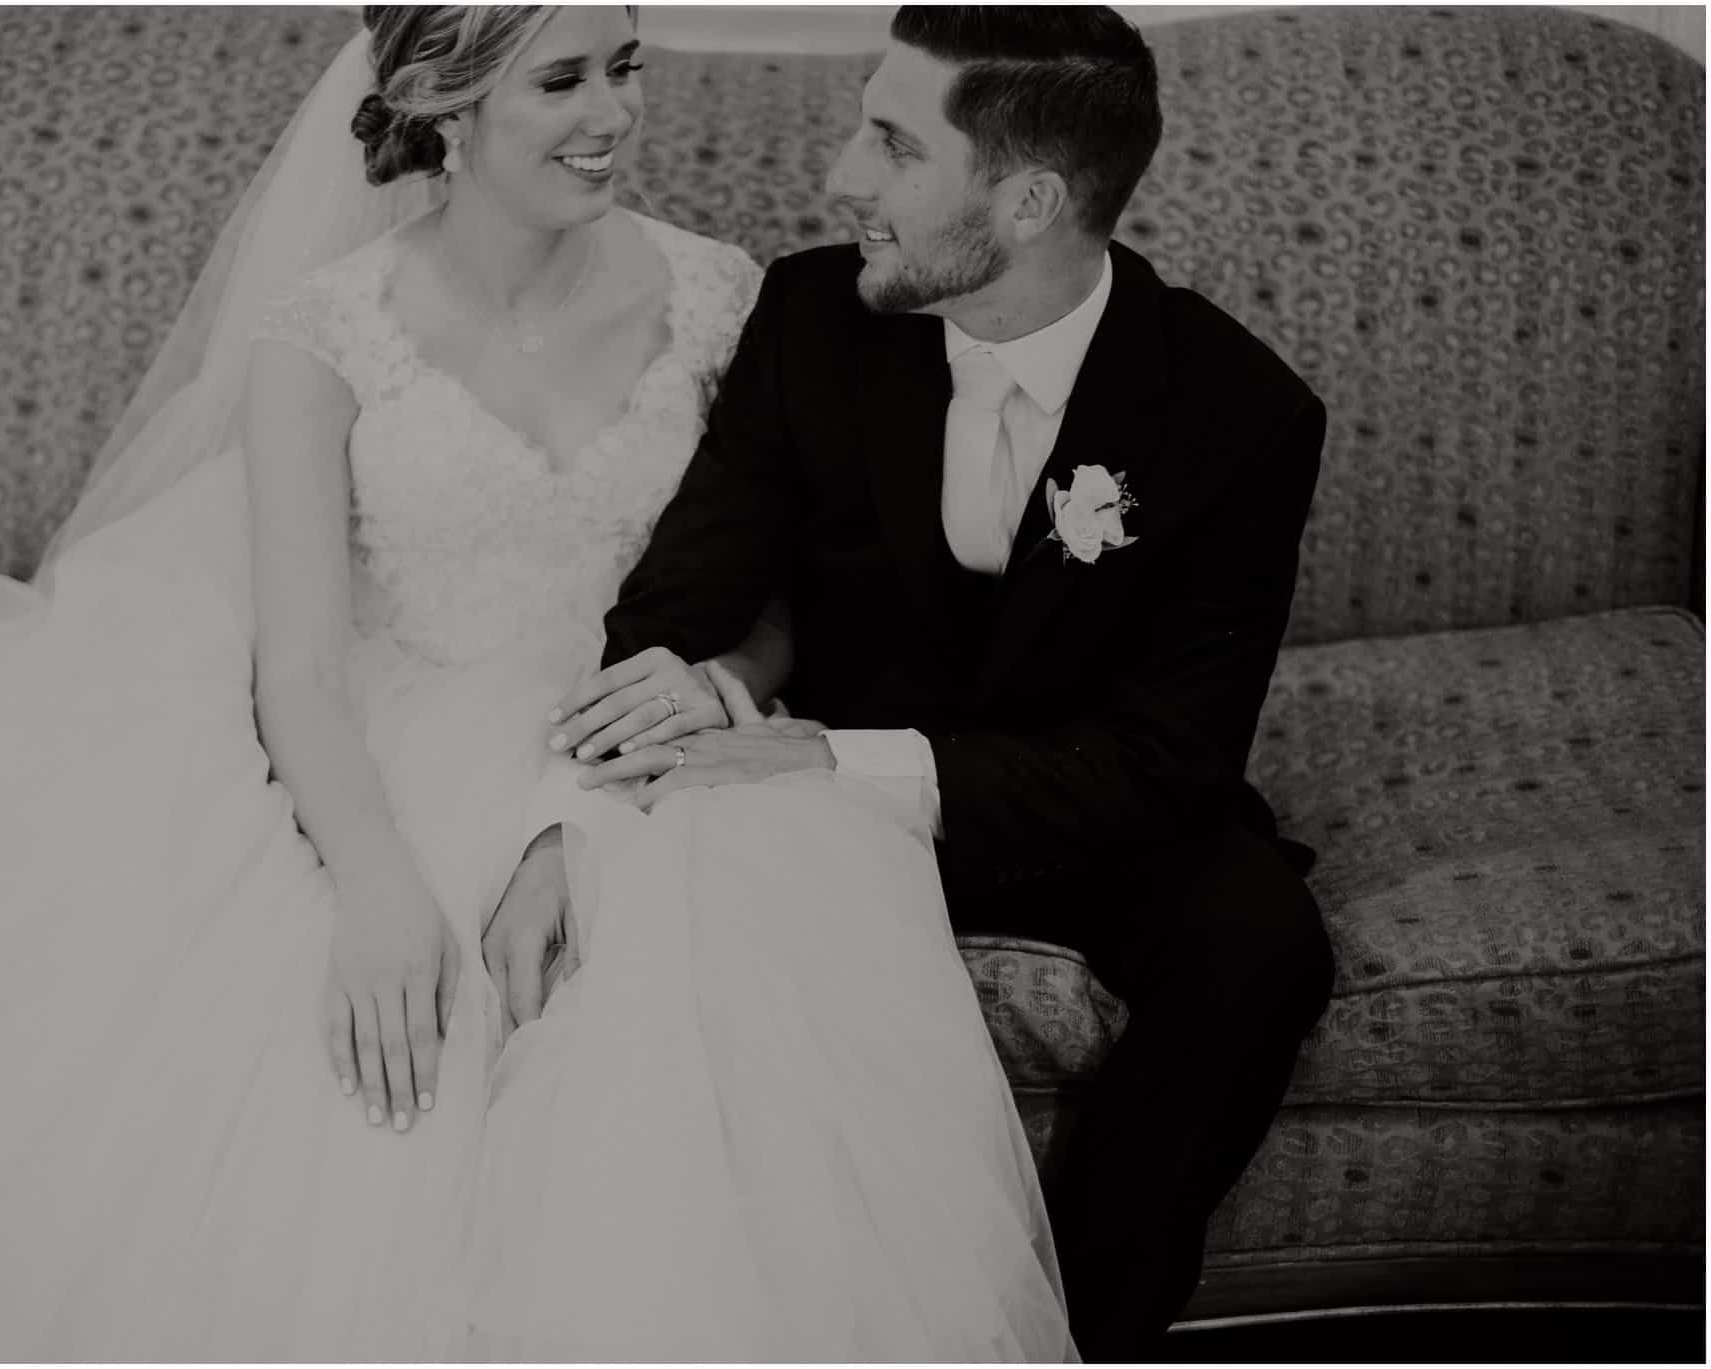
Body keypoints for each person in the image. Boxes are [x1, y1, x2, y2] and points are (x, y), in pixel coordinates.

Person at [0, 7, 1070, 1360]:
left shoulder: (720, 297)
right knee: (346, 1068)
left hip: (651, 744)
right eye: (563, 81)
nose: (615, 113)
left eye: (625, 65)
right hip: (400, 742)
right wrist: (382, 887)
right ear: (439, 103)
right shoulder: (325, 335)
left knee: (705, 1018)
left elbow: (771, 603)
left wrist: (705, 692)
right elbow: (297, 668)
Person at [518, 6, 1336, 1360]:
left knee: (1261, 950)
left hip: (1078, 804)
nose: (841, 175)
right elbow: (681, 596)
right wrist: (652, 722)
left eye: (894, 147)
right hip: (813, 813)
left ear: (1028, 203)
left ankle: (1073, 1339)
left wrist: (843, 761)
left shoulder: (1239, 414)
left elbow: (1169, 758)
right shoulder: (812, 317)